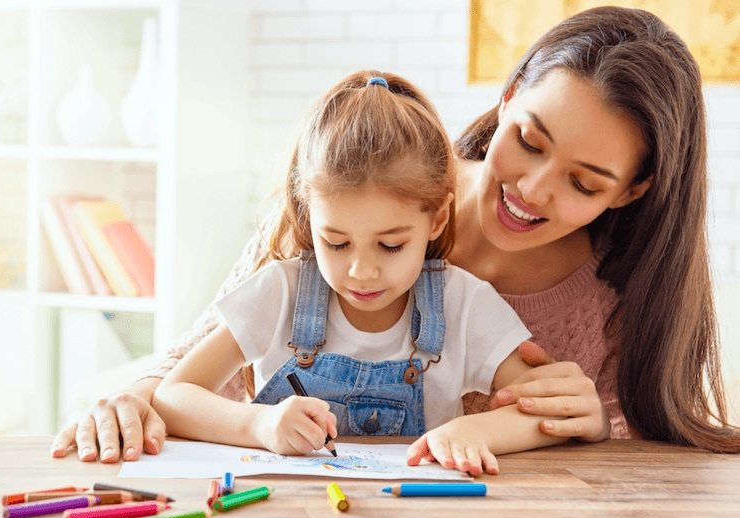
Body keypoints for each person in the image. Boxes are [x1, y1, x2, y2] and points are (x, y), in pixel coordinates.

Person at [51, 6, 740, 464]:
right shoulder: (366, 186)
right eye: (528, 140)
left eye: (584, 184)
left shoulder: (612, 299)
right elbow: (189, 365)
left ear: (632, 190)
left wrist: (591, 427)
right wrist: (131, 400)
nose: (534, 189)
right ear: (506, 99)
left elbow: (632, 464)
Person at [150, 71, 565, 474]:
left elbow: (545, 412)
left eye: (390, 245)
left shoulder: (463, 304)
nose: (361, 272)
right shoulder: (281, 292)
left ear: (437, 220)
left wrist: (477, 430)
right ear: (309, 216)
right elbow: (173, 396)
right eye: (335, 242)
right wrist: (258, 423)